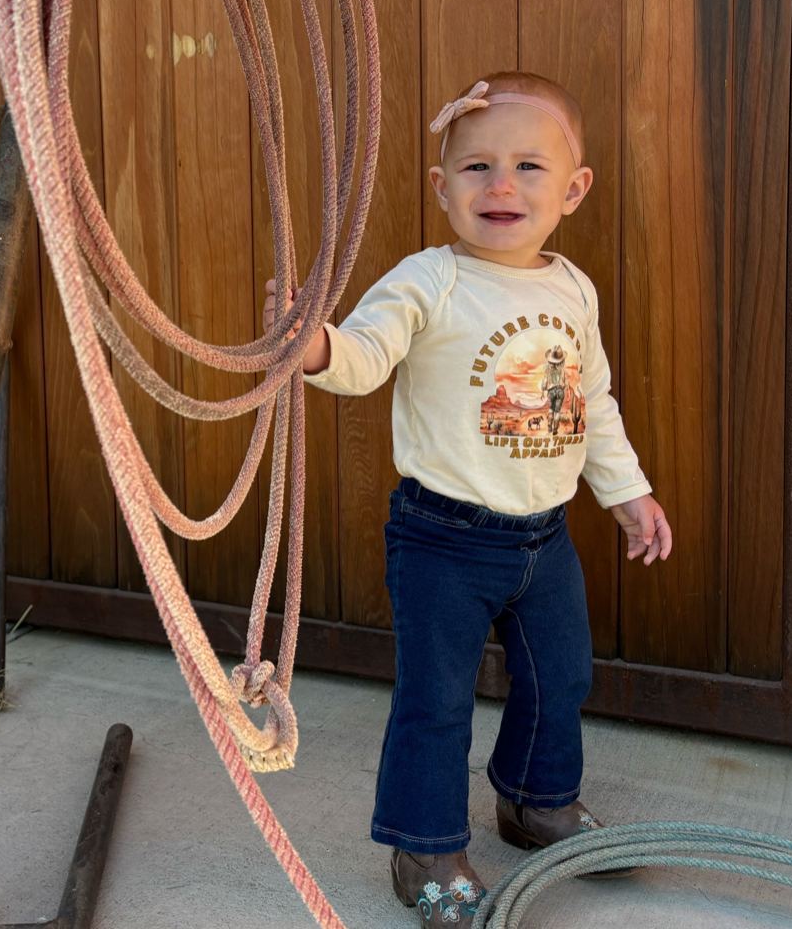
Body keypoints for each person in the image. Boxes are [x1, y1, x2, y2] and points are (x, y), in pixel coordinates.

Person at [262, 72, 672, 926]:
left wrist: (628, 493)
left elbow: (589, 403)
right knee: (437, 698)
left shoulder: (573, 289)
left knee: (560, 677)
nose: (502, 185)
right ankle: (426, 845)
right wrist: (315, 348)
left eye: (528, 165)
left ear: (573, 188)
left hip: (544, 538)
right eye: (477, 166)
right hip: (444, 539)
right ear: (442, 187)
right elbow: (366, 357)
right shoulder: (429, 280)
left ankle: (536, 802)